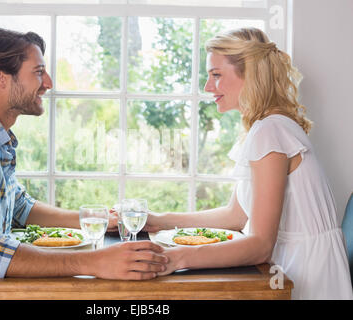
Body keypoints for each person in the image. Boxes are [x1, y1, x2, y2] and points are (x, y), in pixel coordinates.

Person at [0, 28, 167, 300]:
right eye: (38, 71)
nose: (48, 82)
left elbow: (21, 207)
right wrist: (95, 262)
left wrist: (93, 220)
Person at [145, 27, 353, 299]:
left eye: (216, 75)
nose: (208, 87)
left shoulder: (271, 131)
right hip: (287, 268)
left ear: (250, 74)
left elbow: (261, 246)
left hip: (306, 275)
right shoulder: (266, 127)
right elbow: (235, 216)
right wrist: (159, 221)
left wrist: (178, 258)